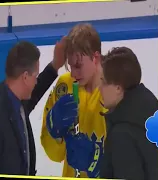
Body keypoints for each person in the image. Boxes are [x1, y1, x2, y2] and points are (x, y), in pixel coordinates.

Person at [68, 47, 158, 180]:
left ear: (118, 88)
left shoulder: (122, 135)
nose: (99, 88)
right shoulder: (149, 111)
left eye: (104, 82)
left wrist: (95, 164)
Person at [0, 40, 66, 175]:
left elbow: (36, 91)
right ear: (25, 77)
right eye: (35, 76)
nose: (36, 81)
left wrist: (55, 65)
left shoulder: (15, 98)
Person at [40, 23, 107, 178]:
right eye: (70, 66)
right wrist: (54, 133)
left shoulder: (113, 90)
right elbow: (55, 156)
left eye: (78, 66)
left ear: (95, 58)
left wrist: (97, 162)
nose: (74, 74)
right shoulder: (65, 86)